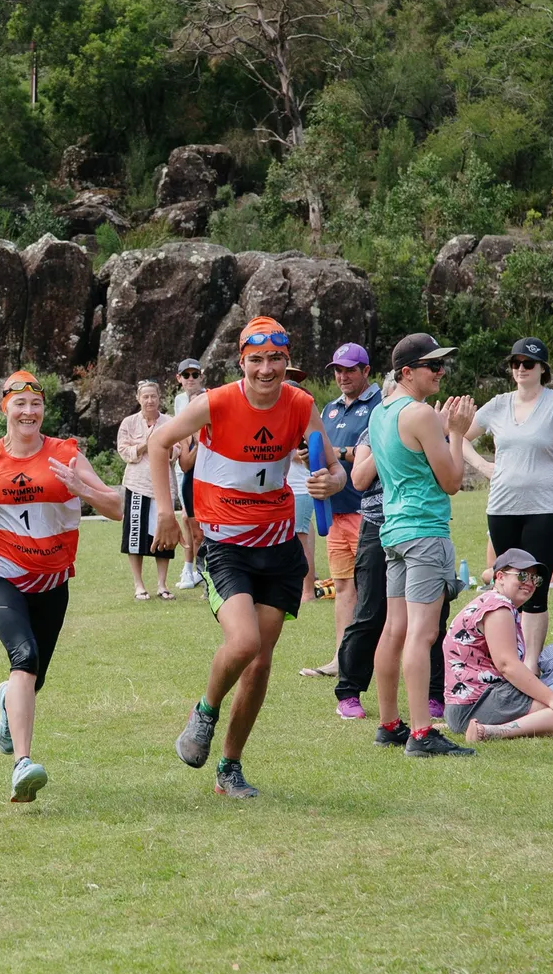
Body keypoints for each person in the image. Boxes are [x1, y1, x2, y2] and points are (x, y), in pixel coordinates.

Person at [148, 316, 346, 797]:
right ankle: (205, 712)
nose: (265, 369)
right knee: (243, 644)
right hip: (226, 547)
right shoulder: (213, 403)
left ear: (286, 360)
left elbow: (337, 468)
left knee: (260, 662)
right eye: (255, 359)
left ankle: (229, 768)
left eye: (275, 358)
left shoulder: (299, 405)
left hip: (277, 547)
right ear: (242, 362)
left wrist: (329, 481)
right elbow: (159, 442)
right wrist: (166, 512)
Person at [0, 370, 122, 803]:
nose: (28, 412)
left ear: (42, 411)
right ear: (5, 407)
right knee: (25, 655)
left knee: (30, 679)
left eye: (35, 404)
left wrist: (84, 489)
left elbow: (117, 507)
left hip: (52, 580)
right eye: (19, 404)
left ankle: (8, 701)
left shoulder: (67, 455)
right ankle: (23, 764)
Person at [368, 333, 477, 757]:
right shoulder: (420, 415)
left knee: (395, 628)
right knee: (422, 632)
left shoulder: (381, 413)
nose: (441, 372)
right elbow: (451, 481)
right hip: (425, 531)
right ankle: (420, 733)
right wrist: (457, 432)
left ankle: (389, 724)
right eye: (433, 365)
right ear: (407, 372)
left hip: (394, 531)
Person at [327, 373, 449, 721]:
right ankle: (349, 689)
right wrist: (394, 444)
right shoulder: (378, 425)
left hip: (413, 524)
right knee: (370, 611)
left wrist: (435, 435)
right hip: (380, 524)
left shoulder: (421, 421)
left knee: (431, 617)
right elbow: (360, 478)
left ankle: (428, 697)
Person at [463, 337, 553, 671]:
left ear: (542, 368)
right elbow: (458, 437)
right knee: (506, 588)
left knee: (534, 587)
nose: (520, 370)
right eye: (514, 364)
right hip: (502, 508)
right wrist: (483, 466)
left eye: (527, 364)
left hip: (546, 508)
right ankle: (505, 660)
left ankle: (529, 665)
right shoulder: (498, 404)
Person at [444, 549, 553, 742]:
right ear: (500, 577)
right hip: (477, 703)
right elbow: (507, 665)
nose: (530, 583)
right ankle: (491, 732)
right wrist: (552, 699)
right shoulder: (497, 608)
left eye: (535, 579)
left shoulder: (495, 603)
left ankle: (471, 725)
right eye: (522, 575)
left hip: (488, 698)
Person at [300, 343, 380, 678]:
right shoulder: (329, 409)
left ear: (366, 371)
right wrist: (313, 457)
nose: (342, 376)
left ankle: (377, 658)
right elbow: (326, 456)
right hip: (335, 511)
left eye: (350, 369)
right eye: (338, 369)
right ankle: (341, 659)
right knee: (344, 586)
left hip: (369, 511)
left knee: (374, 589)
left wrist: (340, 451)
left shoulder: (380, 406)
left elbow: (376, 453)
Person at [116, 379, 179, 601]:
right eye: (145, 397)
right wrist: (147, 444)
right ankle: (139, 584)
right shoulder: (129, 423)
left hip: (164, 487)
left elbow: (176, 451)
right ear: (138, 399)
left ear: (159, 398)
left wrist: (164, 444)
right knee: (135, 536)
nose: (149, 400)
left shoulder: (170, 421)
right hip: (137, 484)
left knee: (165, 536)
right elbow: (124, 452)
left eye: (153, 396)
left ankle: (162, 584)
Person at [284, 363, 317, 604]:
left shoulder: (304, 422)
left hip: (300, 488)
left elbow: (304, 454)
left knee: (301, 539)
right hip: (287, 488)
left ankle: (307, 591)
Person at [173, 358, 206, 590]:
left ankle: (207, 576)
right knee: (194, 530)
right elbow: (185, 464)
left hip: (212, 479)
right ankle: (196, 574)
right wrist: (199, 441)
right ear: (180, 378)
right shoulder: (179, 402)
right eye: (187, 375)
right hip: (189, 478)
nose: (191, 379)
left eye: (195, 374)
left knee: (210, 532)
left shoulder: (212, 397)